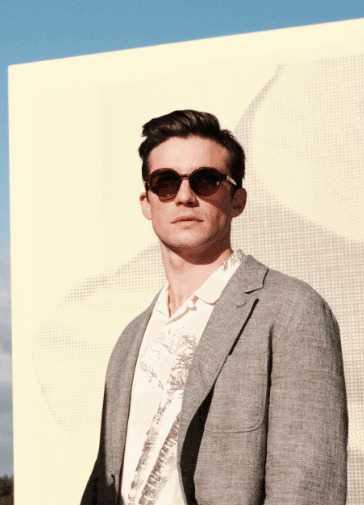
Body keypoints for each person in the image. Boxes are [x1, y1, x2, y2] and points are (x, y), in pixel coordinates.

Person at [81, 110, 347, 504]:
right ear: (147, 201)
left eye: (206, 181)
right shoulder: (130, 340)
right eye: (166, 182)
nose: (185, 196)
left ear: (236, 199)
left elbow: (307, 486)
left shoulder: (292, 310)